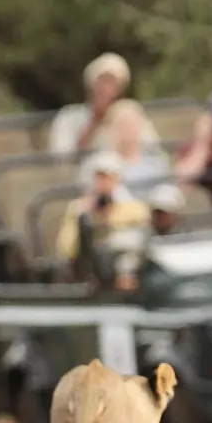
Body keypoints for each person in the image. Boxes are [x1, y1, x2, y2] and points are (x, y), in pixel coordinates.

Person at [56, 151, 150, 291]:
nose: (103, 183)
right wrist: (85, 215)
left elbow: (139, 234)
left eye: (108, 177)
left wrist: (109, 216)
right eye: (99, 177)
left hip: (123, 266)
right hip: (91, 268)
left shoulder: (135, 207)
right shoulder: (78, 208)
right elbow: (66, 249)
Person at [48, 52, 159, 157]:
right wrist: (94, 122)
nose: (107, 89)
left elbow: (152, 149)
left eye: (113, 83)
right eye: (103, 81)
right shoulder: (70, 116)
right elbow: (64, 160)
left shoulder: (129, 112)